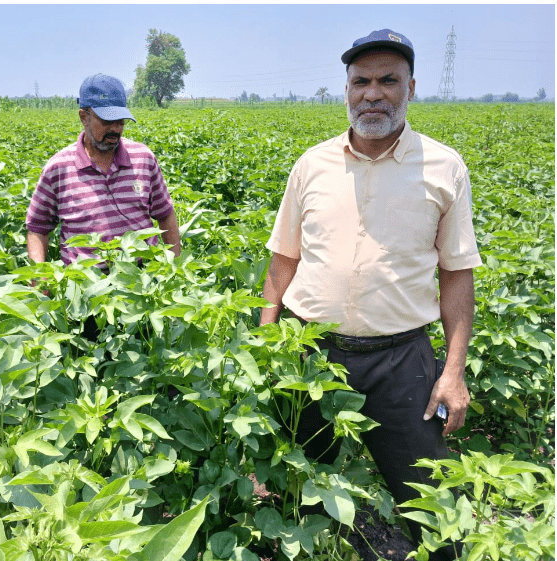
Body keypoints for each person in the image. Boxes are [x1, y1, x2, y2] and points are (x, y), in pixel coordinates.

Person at [260, 29, 481, 560]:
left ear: (411, 88)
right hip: (310, 352)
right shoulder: (311, 165)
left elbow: (456, 274)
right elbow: (283, 258)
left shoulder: (444, 168)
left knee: (432, 503)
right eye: (361, 81)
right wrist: (265, 342)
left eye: (388, 81)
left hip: (401, 357)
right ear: (346, 90)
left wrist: (452, 371)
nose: (373, 93)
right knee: (299, 488)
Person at [26, 73, 181, 272]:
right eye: (107, 121)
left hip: (143, 279)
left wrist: (174, 270)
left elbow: (165, 214)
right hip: (85, 284)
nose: (115, 129)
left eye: (121, 121)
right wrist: (39, 280)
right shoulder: (59, 168)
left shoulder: (143, 158)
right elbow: (38, 229)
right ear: (84, 117)